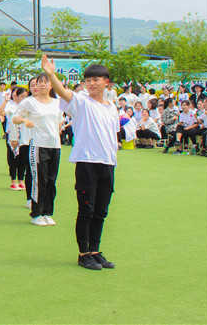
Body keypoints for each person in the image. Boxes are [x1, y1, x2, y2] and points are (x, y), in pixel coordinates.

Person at [41, 55, 118, 271]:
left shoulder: (112, 107)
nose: (92, 84)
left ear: (107, 82)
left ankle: (95, 250)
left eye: (96, 80)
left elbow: (112, 135)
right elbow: (64, 93)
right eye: (88, 80)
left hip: (108, 163)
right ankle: (83, 253)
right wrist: (51, 74)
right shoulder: (81, 101)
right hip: (87, 162)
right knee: (87, 209)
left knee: (101, 210)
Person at [12, 74, 62, 227]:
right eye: (39, 82)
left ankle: (47, 213)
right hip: (38, 146)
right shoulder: (29, 103)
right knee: (40, 180)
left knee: (52, 181)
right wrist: (25, 120)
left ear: (51, 85)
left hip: (55, 146)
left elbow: (59, 122)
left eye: (46, 82)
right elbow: (15, 118)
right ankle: (36, 213)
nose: (42, 85)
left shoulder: (57, 103)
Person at [4, 87, 29, 190]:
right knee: (14, 158)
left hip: (24, 137)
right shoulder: (12, 107)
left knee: (23, 159)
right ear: (17, 96)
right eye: (22, 96)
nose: (24, 99)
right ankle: (13, 181)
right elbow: (10, 120)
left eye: (26, 97)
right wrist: (14, 138)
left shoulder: (28, 109)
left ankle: (21, 180)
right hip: (13, 136)